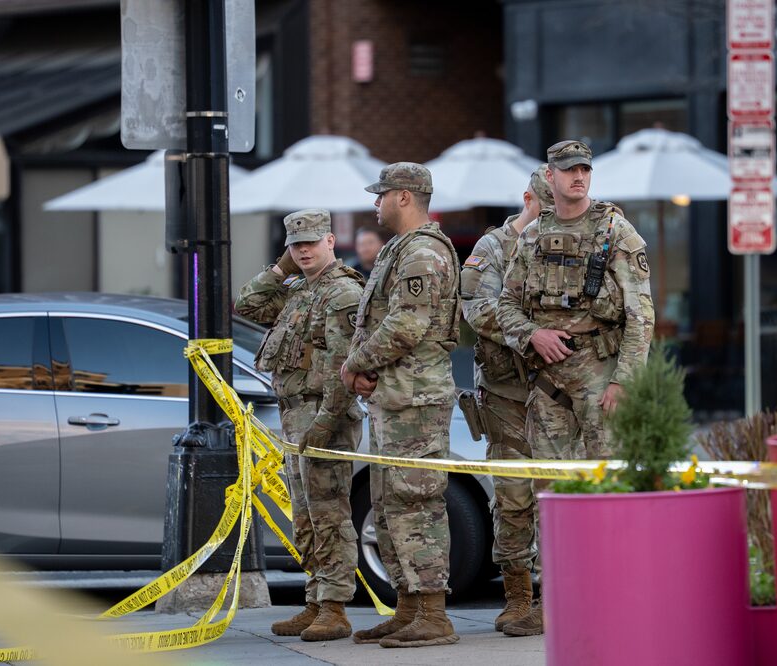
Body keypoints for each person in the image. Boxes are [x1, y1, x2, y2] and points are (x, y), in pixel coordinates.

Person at [495, 140, 655, 635]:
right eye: (568, 170)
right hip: (549, 387)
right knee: (552, 496)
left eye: (585, 169)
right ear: (551, 176)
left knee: (609, 491)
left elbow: (641, 315)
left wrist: (626, 381)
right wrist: (531, 335)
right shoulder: (533, 237)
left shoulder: (616, 233)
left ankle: (618, 598)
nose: (578, 177)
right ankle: (558, 598)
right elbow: (505, 306)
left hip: (603, 380)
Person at [339, 162, 462, 648]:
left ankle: (433, 613)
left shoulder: (424, 253)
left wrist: (355, 363)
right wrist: (366, 367)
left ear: (405, 197)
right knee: (388, 503)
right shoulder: (398, 249)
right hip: (395, 394)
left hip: (416, 397)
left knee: (417, 503)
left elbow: (406, 325)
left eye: (382, 195)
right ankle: (409, 607)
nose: (376, 204)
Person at [234, 209, 365, 642]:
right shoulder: (299, 290)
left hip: (324, 414)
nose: (304, 250)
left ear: (330, 240)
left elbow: (345, 367)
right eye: (296, 244)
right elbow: (247, 305)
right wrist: (281, 267)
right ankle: (315, 599)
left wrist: (326, 423)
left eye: (311, 242)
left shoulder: (341, 292)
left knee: (329, 512)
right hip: (295, 414)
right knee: (305, 516)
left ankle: (335, 607)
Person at [459, 165, 552, 634]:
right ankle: (518, 596)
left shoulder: (567, 243)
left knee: (558, 496)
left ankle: (556, 597)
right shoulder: (492, 248)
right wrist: (531, 335)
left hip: (559, 393)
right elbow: (476, 308)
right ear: (527, 200)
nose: (552, 217)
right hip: (506, 393)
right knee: (513, 498)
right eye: (545, 207)